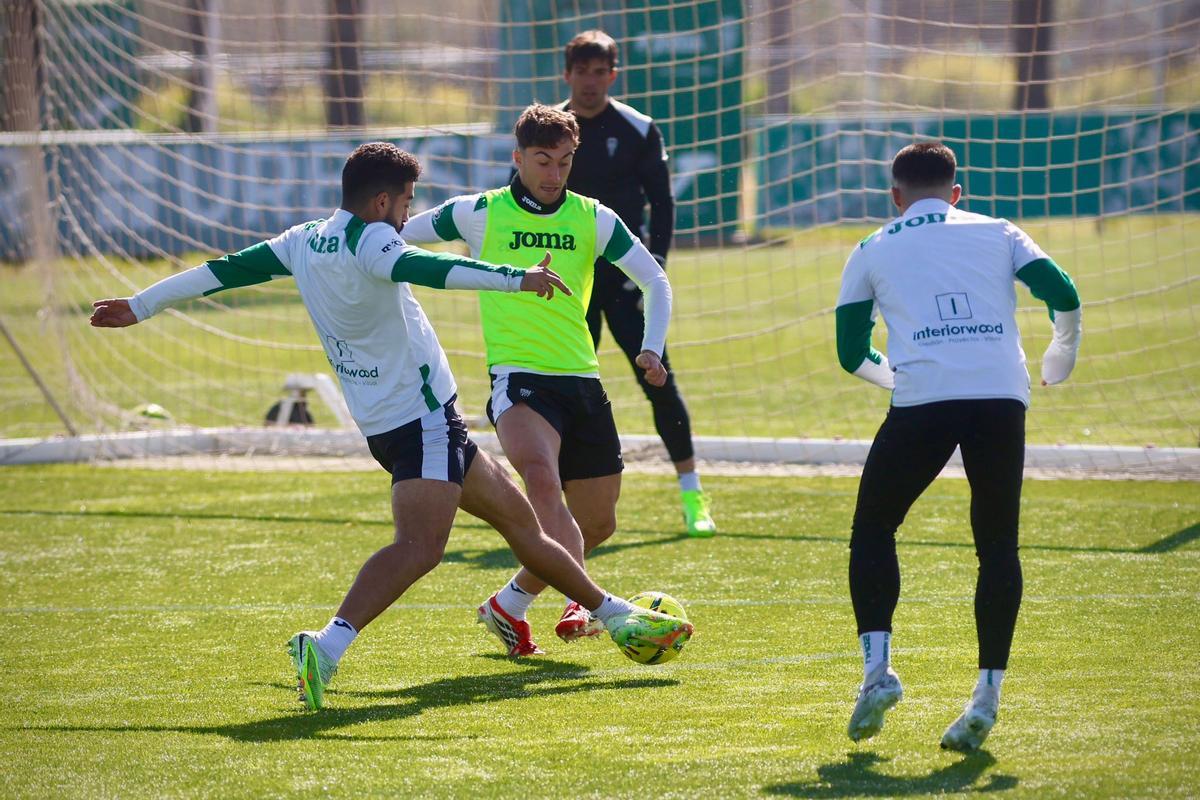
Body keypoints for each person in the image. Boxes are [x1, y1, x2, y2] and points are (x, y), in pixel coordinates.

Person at [89, 142, 692, 710]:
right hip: (420, 418)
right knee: (420, 547)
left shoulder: (304, 239)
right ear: (382, 202)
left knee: (524, 526)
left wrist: (139, 306)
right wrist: (517, 278)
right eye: (405, 204)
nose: (408, 216)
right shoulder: (374, 242)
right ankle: (324, 647)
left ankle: (612, 613)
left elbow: (221, 271)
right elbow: (433, 271)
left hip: (404, 421)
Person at [835, 142, 1081, 751]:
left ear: (895, 196)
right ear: (956, 192)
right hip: (1002, 400)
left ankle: (877, 675)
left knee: (873, 530)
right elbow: (1063, 291)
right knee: (997, 546)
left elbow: (849, 353)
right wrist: (1062, 354)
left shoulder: (871, 247)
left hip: (922, 404)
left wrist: (906, 375)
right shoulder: (1000, 231)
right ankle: (987, 698)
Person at [402, 104, 674, 654]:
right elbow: (391, 243)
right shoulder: (479, 212)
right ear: (517, 157)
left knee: (597, 523)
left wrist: (650, 348)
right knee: (544, 487)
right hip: (519, 381)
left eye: (565, 162)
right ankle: (594, 603)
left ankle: (508, 605)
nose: (554, 175)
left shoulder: (593, 217)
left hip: (583, 380)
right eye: (543, 161)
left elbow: (655, 280)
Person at [556, 30, 716, 538]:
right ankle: (558, 508)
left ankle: (693, 494)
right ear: (567, 74)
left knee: (658, 377)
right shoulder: (550, 129)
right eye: (581, 71)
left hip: (625, 278)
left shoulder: (638, 127)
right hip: (566, 280)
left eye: (599, 72)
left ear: (612, 75)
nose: (589, 82)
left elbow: (662, 202)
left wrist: (656, 264)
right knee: (562, 388)